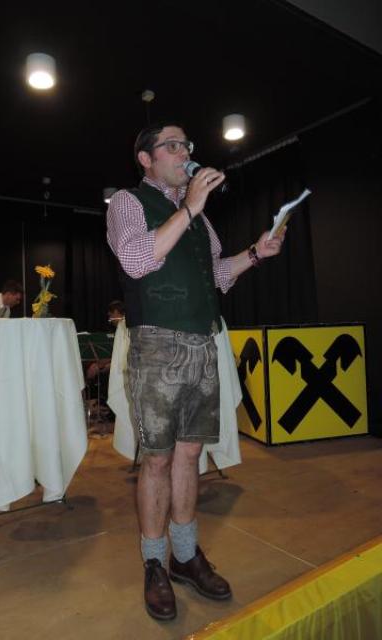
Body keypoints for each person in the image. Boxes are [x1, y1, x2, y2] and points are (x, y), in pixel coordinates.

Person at [107, 122, 285, 620]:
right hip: (157, 345)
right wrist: (188, 208)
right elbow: (136, 259)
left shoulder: (198, 216)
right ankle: (154, 563)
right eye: (172, 145)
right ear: (145, 158)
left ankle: (184, 556)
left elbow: (218, 275)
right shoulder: (128, 202)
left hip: (203, 343)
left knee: (190, 455)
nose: (184, 151)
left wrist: (256, 253)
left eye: (186, 144)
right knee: (157, 459)